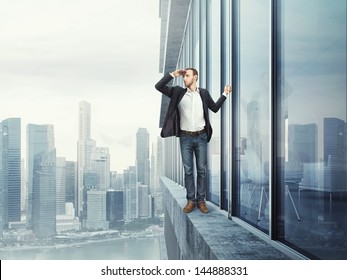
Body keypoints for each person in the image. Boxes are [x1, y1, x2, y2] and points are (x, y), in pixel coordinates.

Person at [155, 68, 231, 214]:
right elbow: (158, 86)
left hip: (201, 136)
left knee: (201, 170)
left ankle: (201, 200)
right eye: (184, 76)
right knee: (188, 171)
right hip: (185, 138)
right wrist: (173, 75)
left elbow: (214, 108)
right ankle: (191, 200)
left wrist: (225, 94)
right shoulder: (178, 92)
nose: (185, 78)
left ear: (195, 77)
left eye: (187, 76)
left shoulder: (203, 93)